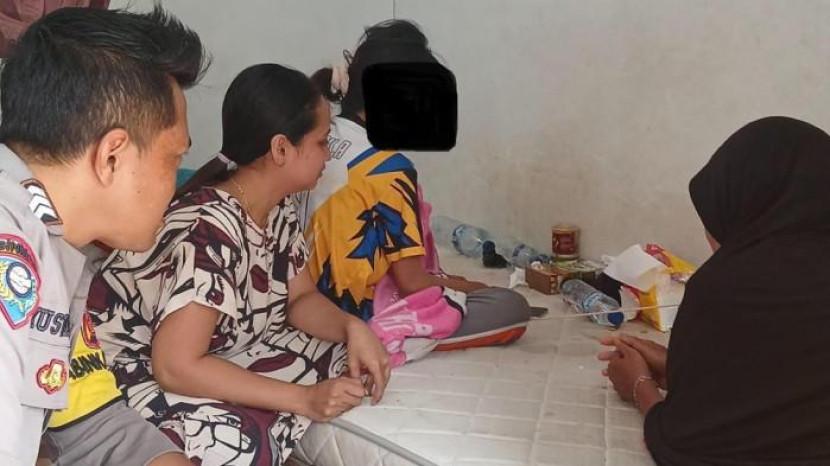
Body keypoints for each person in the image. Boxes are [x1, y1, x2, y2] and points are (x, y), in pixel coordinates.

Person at [88, 64, 390, 465]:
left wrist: (353, 328)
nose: (327, 154)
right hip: (133, 367)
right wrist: (303, 399)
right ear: (281, 149)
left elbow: (300, 299)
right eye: (321, 142)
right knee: (236, 439)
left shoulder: (276, 208)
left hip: (216, 351)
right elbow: (175, 367)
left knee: (343, 357)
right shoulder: (209, 230)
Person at [0, 6, 207, 465]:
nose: (174, 186)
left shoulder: (52, 245)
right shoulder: (10, 254)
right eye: (173, 158)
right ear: (112, 156)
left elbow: (93, 427)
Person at [599, 116, 830, 465]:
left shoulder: (733, 288)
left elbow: (690, 447)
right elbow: (790, 396)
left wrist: (638, 385)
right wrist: (682, 370)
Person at [302, 19, 531, 363]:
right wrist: (474, 288)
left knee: (452, 284)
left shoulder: (326, 135)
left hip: (306, 301)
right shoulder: (389, 169)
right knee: (509, 306)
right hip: (357, 314)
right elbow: (411, 282)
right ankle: (392, 336)